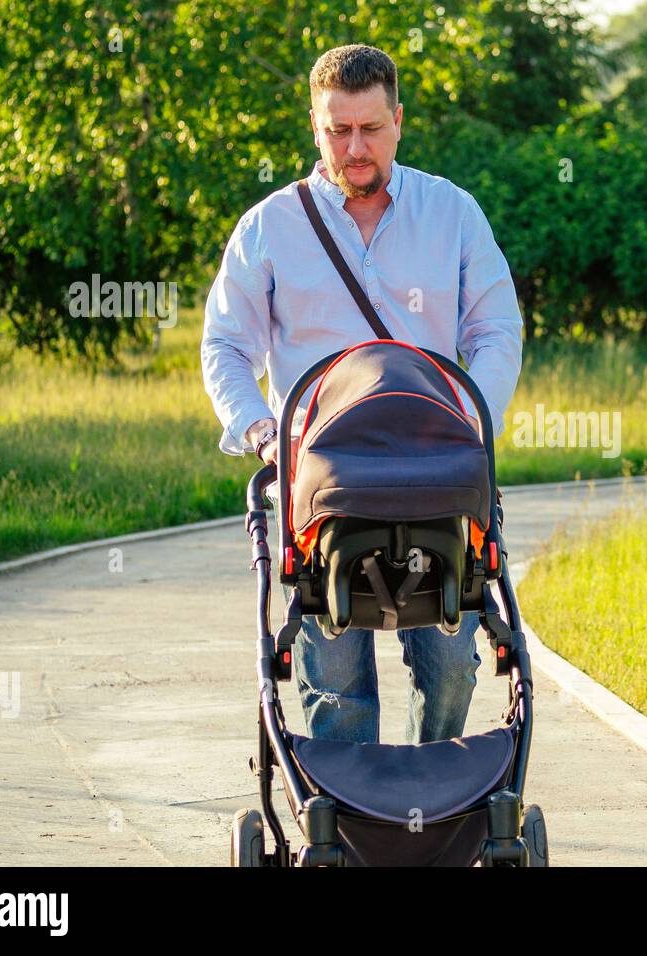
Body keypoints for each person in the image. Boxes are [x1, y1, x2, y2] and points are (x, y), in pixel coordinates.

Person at [200, 44, 523, 745]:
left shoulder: (452, 213)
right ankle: (354, 837)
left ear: (398, 121)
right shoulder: (270, 227)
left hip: (437, 476)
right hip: (325, 490)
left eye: (369, 129)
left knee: (451, 669)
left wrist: (474, 426)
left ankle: (429, 802)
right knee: (337, 684)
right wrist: (261, 433)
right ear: (315, 127)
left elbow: (496, 328)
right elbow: (225, 344)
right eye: (336, 130)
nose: (354, 147)